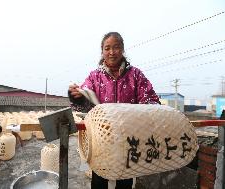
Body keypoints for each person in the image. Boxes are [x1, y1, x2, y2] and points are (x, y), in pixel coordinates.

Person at [68, 32, 160, 189]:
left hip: (129, 139)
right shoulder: (94, 77)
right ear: (102, 51)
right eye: (107, 48)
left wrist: (147, 110)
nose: (112, 52)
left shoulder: (135, 75)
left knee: (125, 180)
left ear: (122, 50)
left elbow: (151, 101)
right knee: (99, 180)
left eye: (116, 47)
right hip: (102, 139)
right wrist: (76, 96)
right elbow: (83, 105)